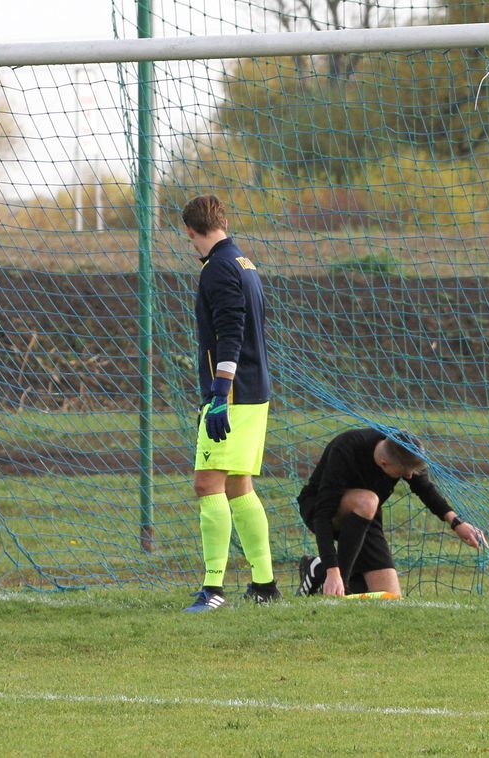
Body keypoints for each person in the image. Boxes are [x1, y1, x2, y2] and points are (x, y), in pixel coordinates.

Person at [181, 195, 281, 612]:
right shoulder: (243, 262)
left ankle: (213, 589)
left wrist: (220, 393)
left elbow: (231, 331)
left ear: (190, 232)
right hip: (255, 391)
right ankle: (264, 584)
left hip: (234, 394)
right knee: (239, 484)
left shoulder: (217, 269)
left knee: (208, 484)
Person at [296, 429, 486, 598]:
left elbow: (425, 489)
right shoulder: (346, 449)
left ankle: (317, 569)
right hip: (320, 508)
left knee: (389, 597)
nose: (410, 477)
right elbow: (322, 514)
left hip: (365, 519)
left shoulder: (404, 450)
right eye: (405, 473)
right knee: (368, 501)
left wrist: (456, 523)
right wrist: (334, 570)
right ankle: (338, 581)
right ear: (384, 463)